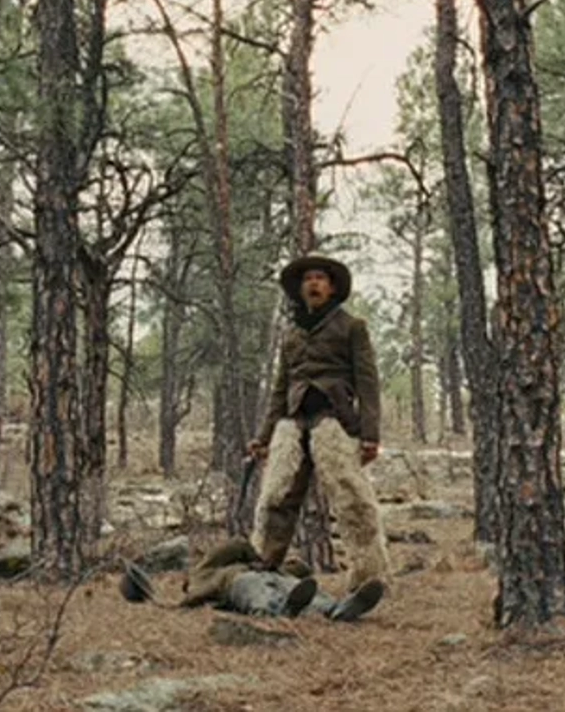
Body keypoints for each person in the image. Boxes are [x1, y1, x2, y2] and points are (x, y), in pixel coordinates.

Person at [247, 255, 391, 607]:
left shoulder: (352, 327)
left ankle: (368, 579)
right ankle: (261, 572)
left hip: (335, 423)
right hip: (293, 423)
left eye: (320, 278)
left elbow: (368, 384)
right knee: (275, 498)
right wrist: (263, 437)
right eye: (308, 279)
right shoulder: (291, 335)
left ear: (332, 287)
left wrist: (370, 434)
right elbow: (281, 389)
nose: (313, 284)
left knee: (353, 498)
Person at [119, 538, 384, 622]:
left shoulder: (213, 571)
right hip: (243, 583)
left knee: (301, 591)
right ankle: (284, 611)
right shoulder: (207, 575)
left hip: (272, 577)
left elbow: (301, 570)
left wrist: (268, 562)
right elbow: (237, 544)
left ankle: (338, 608)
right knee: (260, 593)